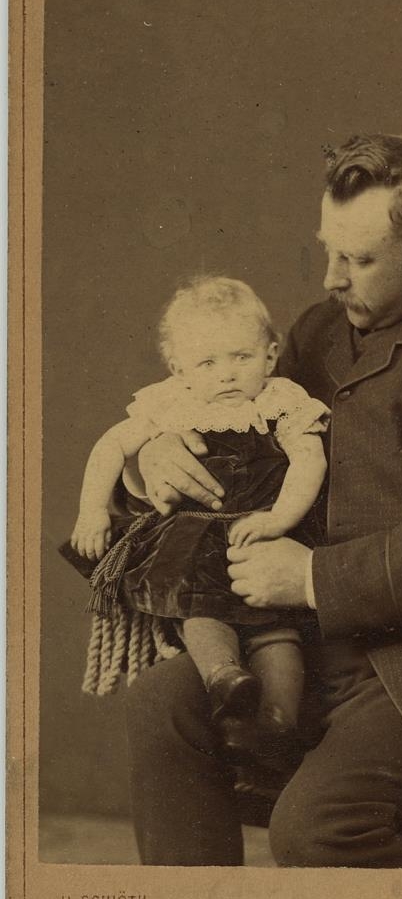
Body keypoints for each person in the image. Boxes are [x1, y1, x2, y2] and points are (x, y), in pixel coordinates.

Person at [124, 133, 402, 867]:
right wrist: (155, 456)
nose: (331, 278)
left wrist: (309, 577)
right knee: (161, 704)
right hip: (305, 643)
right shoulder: (320, 330)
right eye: (327, 251)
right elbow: (243, 443)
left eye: (358, 260)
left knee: (319, 828)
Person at [66, 275, 328, 766]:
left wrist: (278, 519)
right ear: (180, 369)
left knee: (278, 634)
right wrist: (92, 510)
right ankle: (226, 679)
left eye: (241, 357)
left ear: (270, 355)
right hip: (197, 540)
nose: (227, 374)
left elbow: (310, 460)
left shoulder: (281, 402)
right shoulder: (173, 404)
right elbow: (111, 446)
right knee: (199, 612)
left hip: (261, 540)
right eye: (208, 363)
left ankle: (276, 726)